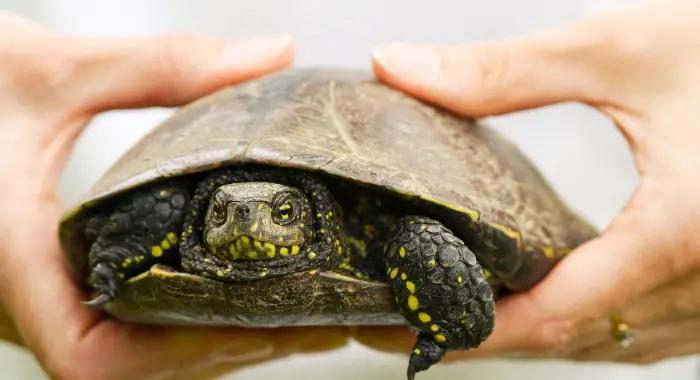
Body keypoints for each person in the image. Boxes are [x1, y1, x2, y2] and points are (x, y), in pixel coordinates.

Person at [0, 0, 698, 378]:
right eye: (225, 210)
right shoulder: (169, 213)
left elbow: (428, 232)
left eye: (280, 212)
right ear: (200, 216)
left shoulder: (397, 224)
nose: (252, 219)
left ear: (312, 219)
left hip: (623, 265)